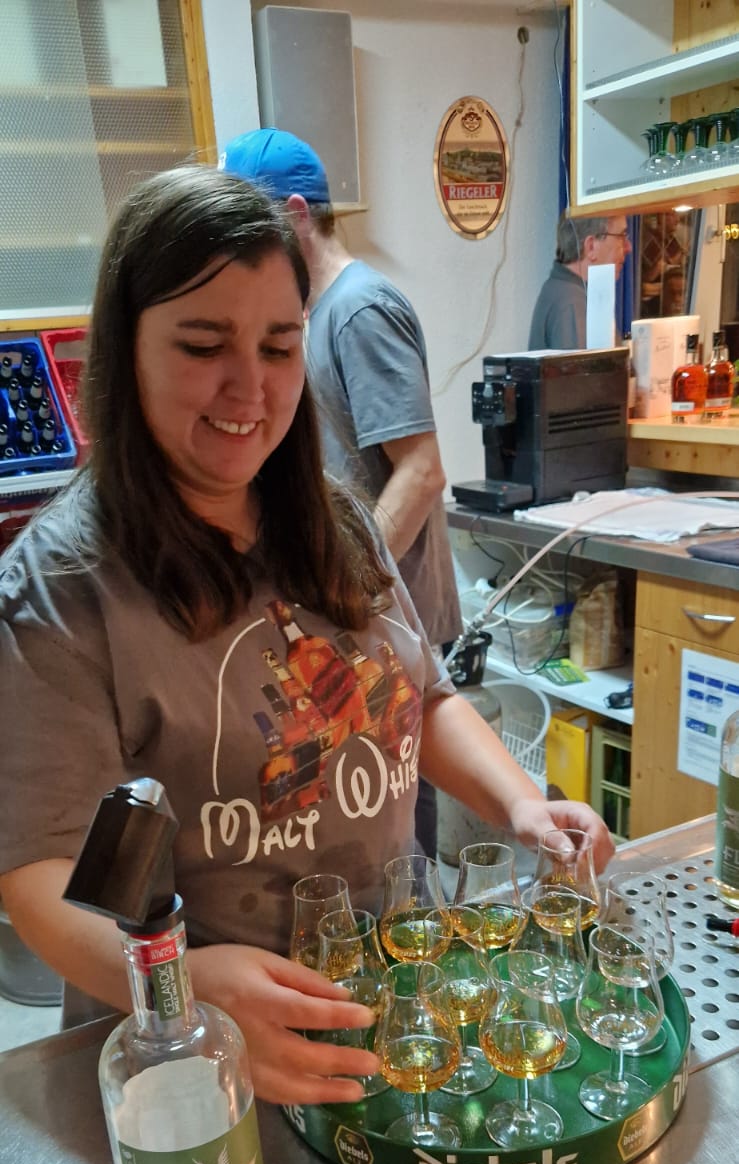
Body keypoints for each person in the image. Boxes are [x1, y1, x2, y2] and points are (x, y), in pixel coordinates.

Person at [0, 166, 612, 1107]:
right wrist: (185, 990)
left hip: (382, 993)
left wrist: (521, 807)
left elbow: (421, 697)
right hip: (192, 1055)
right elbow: (36, 874)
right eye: (203, 344)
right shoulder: (62, 588)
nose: (250, 386)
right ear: (126, 350)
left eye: (279, 345)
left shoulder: (334, 519)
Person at [221, 127, 461, 862]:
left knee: (401, 802)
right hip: (344, 615)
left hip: (382, 612)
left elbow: (421, 470)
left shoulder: (358, 311)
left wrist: (345, 592)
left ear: (296, 215)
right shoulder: (304, 314)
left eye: (252, 227)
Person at [529, 211, 632, 351]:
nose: (628, 247)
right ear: (591, 247)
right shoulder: (573, 304)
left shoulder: (565, 291)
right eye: (621, 236)